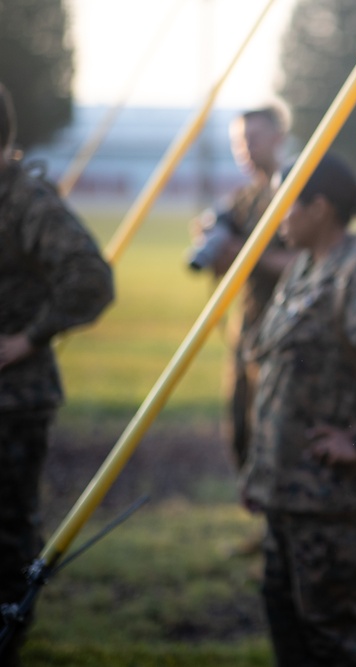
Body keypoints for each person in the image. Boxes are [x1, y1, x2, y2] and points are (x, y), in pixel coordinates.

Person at [240, 153, 356, 666]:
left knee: (334, 641)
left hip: (332, 500)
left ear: (319, 208)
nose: (276, 214)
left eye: (284, 201)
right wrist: (260, 475)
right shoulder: (301, 271)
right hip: (286, 494)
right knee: (288, 630)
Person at [0, 82, 114, 667]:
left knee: (4, 539)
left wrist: (27, 339)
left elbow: (90, 279)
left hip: (12, 404)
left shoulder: (26, 201)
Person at [188, 105, 297, 472]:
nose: (245, 149)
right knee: (243, 428)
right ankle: (263, 518)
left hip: (287, 334)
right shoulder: (244, 199)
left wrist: (247, 254)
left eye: (253, 138)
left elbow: (308, 263)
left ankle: (279, 522)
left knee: (280, 431)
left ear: (277, 138)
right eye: (239, 142)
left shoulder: (296, 192)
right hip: (249, 328)